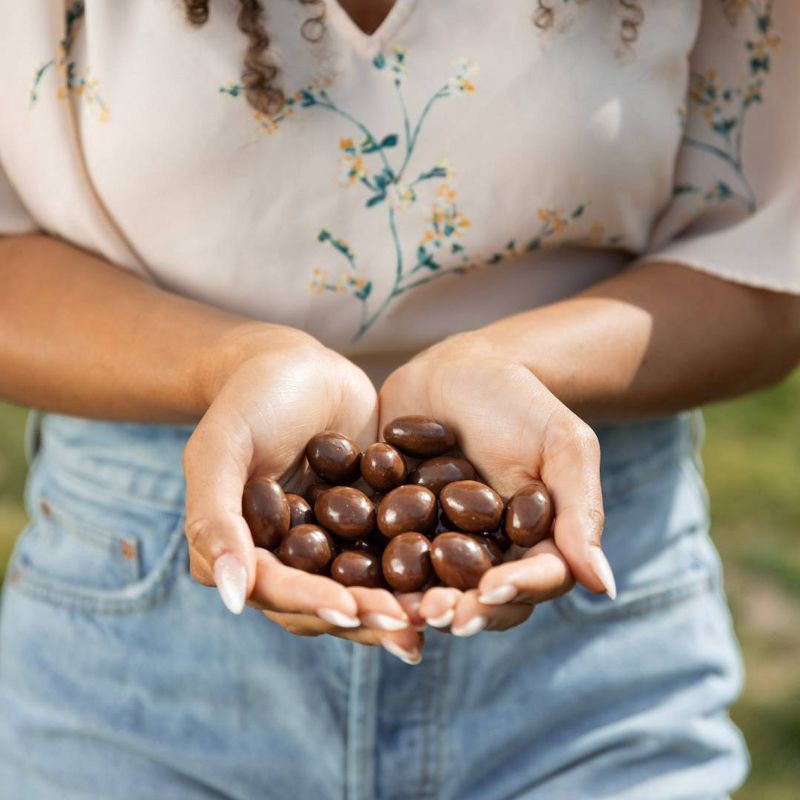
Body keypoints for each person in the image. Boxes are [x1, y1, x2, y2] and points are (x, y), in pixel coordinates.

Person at [0, 1, 797, 797]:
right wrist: (234, 365)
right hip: (134, 655)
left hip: (584, 648)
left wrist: (506, 364)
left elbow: (775, 265)